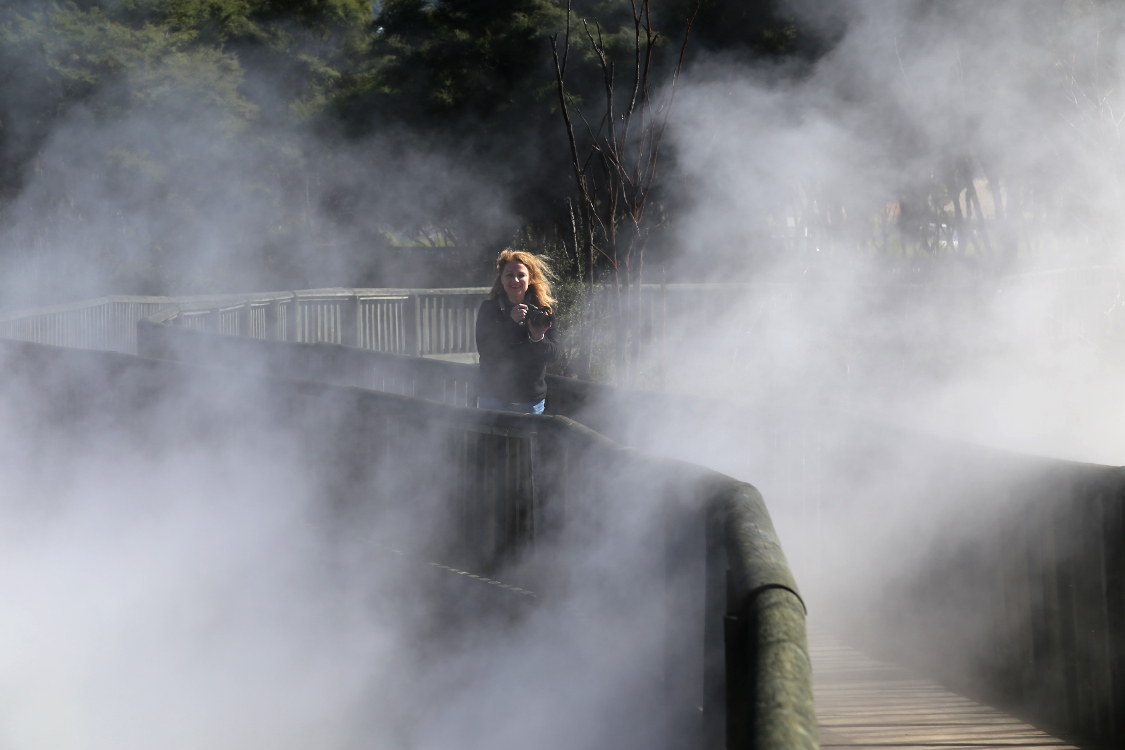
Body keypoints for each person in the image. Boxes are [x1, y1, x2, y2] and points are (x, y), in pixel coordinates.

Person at [475, 249, 562, 414]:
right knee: (493, 441)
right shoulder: (489, 309)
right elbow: (486, 351)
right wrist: (511, 322)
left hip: (530, 402)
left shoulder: (543, 312)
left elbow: (554, 355)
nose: (515, 280)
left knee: (527, 441)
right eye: (509, 275)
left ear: (530, 279)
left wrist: (538, 338)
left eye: (521, 275)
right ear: (501, 279)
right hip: (493, 399)